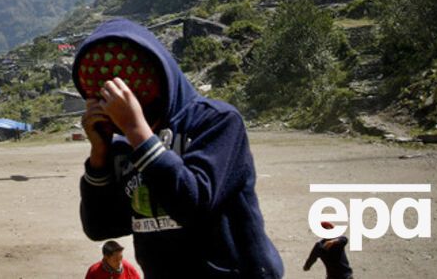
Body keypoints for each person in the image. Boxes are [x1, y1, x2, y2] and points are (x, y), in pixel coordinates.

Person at [77, 19, 283, 278]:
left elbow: (193, 203)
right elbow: (100, 226)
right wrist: (99, 155)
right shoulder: (123, 147)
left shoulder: (216, 121)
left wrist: (137, 131)